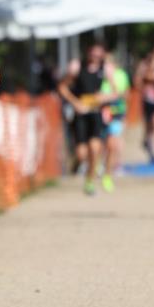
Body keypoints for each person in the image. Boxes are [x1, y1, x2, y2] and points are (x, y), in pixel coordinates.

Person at [58, 42, 115, 195]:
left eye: (99, 53)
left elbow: (116, 92)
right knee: (82, 153)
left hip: (96, 112)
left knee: (95, 148)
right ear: (88, 52)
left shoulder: (106, 69)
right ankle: (87, 168)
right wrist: (75, 102)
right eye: (93, 53)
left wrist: (103, 97)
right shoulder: (76, 66)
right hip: (80, 114)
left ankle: (90, 179)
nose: (95, 56)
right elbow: (62, 87)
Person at [98, 53, 130, 191]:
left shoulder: (120, 75)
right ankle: (100, 165)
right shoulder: (99, 75)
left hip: (116, 112)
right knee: (101, 142)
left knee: (113, 142)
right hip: (100, 113)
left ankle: (111, 170)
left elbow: (123, 93)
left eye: (108, 63)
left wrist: (111, 80)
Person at [135, 45, 154, 165]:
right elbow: (138, 80)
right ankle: (148, 143)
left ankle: (151, 144)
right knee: (148, 125)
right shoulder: (145, 65)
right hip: (148, 99)